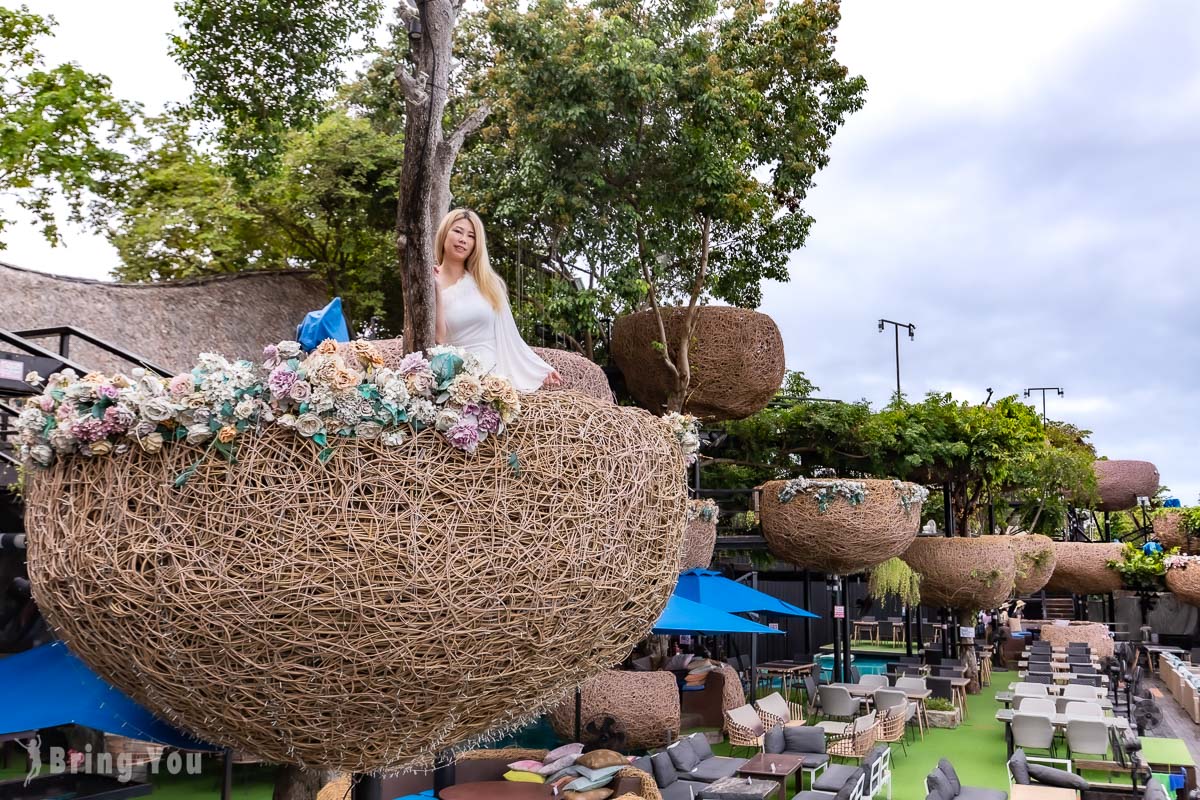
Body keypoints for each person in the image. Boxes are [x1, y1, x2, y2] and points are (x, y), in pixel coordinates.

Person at [433, 209, 561, 392]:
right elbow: (439, 338)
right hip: (454, 378)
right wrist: (436, 289)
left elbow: (511, 337)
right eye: (458, 231)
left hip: (492, 375)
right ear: (444, 233)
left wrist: (540, 369)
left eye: (471, 236)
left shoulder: (488, 284)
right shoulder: (429, 283)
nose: (463, 239)